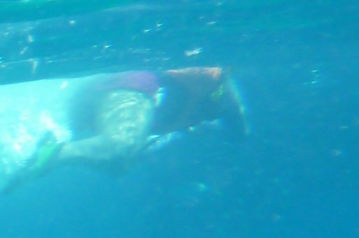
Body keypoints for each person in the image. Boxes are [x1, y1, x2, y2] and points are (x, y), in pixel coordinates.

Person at [16, 67, 246, 183]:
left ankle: (50, 150)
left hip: (105, 101)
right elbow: (239, 128)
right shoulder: (216, 83)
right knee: (120, 147)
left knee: (118, 166)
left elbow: (236, 131)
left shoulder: (197, 111)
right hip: (133, 85)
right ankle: (55, 153)